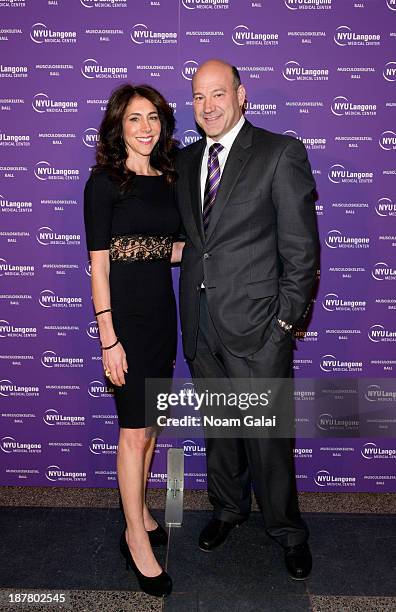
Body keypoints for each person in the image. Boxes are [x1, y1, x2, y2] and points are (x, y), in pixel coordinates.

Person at [176, 60, 320, 579]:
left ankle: (287, 531)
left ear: (241, 95)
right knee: (220, 431)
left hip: (260, 327)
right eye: (198, 97)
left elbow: (302, 251)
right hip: (201, 324)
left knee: (268, 440)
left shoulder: (280, 153)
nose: (208, 106)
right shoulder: (187, 159)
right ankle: (228, 509)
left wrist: (284, 325)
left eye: (218, 94)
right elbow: (197, 243)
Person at [84, 83, 183, 597]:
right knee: (133, 432)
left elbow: (163, 249)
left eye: (153, 118)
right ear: (118, 127)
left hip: (162, 317)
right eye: (134, 119)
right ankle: (134, 538)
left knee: (150, 428)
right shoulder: (104, 183)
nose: (146, 128)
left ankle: (140, 510)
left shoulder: (169, 178)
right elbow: (100, 263)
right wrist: (108, 336)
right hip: (124, 321)